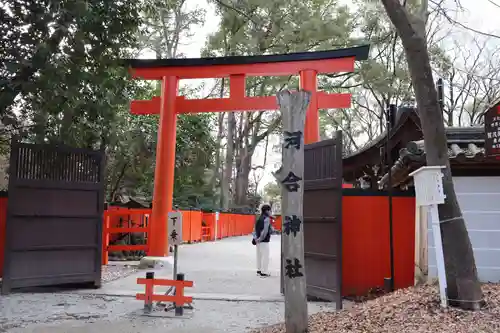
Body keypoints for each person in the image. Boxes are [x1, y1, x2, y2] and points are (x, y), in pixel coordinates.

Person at [254, 204, 272, 277]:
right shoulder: (266, 219)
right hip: (264, 241)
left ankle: (259, 270)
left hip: (258, 241)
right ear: (267, 211)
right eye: (270, 210)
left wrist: (256, 239)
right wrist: (260, 239)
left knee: (259, 256)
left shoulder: (259, 218)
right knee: (265, 256)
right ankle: (264, 272)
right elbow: (264, 231)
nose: (271, 212)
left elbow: (255, 229)